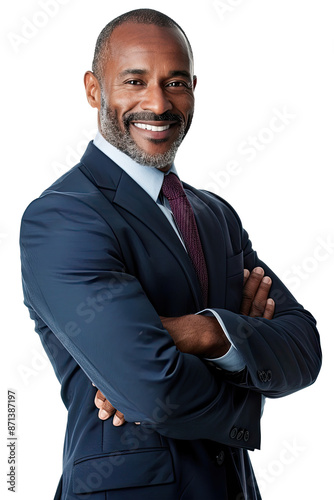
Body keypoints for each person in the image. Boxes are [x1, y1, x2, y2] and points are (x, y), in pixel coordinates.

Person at [20, 8, 321, 500]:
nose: (158, 104)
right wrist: (247, 378)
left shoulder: (214, 214)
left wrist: (202, 332)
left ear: (194, 88)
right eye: (134, 81)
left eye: (175, 82)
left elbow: (304, 347)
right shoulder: (62, 217)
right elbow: (152, 390)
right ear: (95, 89)